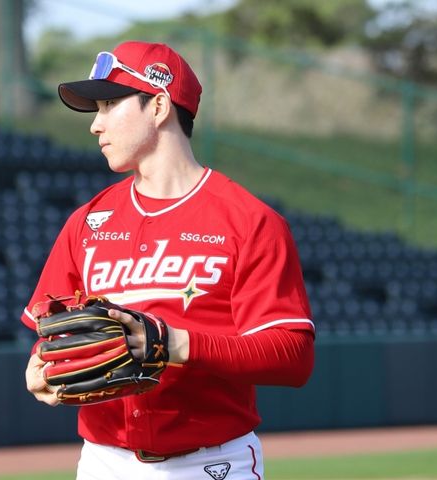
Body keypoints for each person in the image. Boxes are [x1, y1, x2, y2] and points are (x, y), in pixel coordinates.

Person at [22, 40, 315, 480]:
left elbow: (292, 356)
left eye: (109, 105)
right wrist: (42, 363)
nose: (96, 125)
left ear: (159, 106)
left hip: (211, 463)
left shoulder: (250, 222)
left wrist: (173, 344)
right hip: (104, 461)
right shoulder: (87, 222)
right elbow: (50, 328)